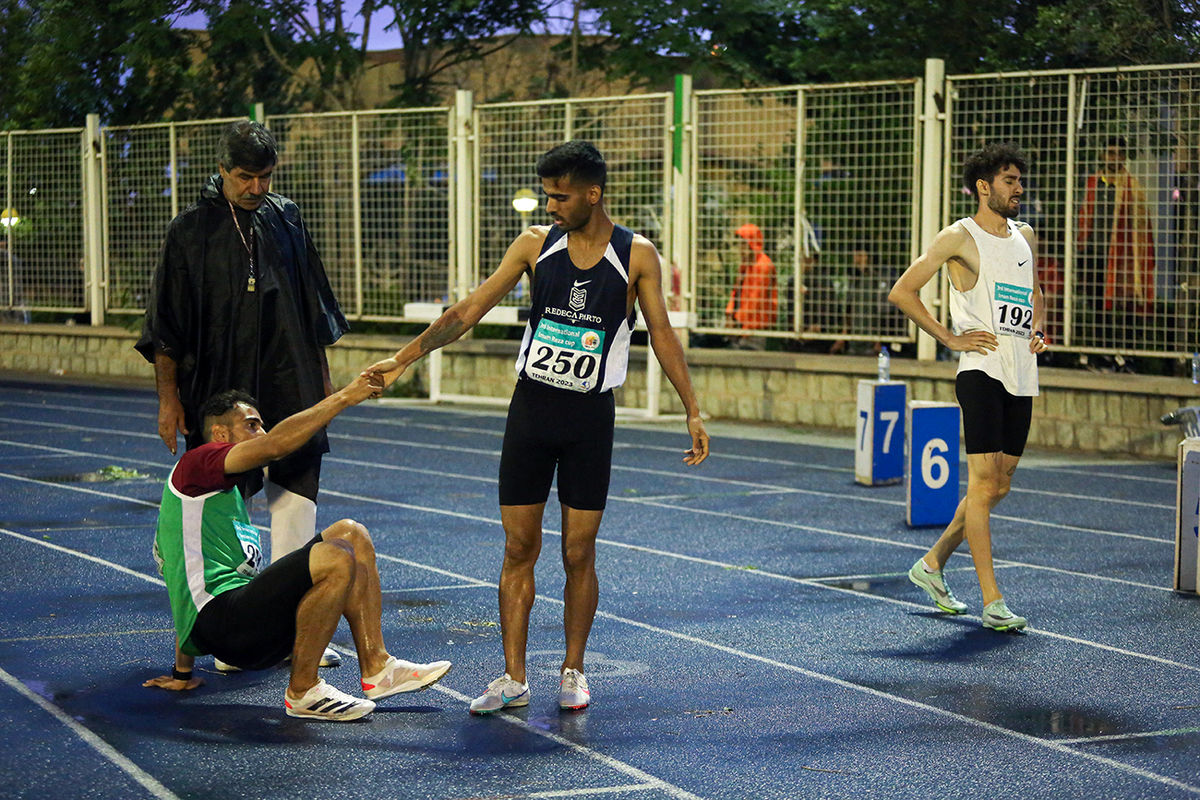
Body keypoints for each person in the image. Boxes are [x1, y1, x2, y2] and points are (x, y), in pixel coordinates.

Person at [367, 140, 710, 713]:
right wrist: (404, 358)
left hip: (589, 420)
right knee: (518, 547)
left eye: (559, 196)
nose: (549, 205)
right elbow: (466, 311)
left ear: (592, 194)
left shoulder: (637, 255)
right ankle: (513, 677)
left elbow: (664, 337)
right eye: (547, 195)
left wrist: (692, 408)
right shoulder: (534, 246)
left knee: (579, 552)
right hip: (530, 413)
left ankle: (573, 671)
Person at [135, 120, 348, 667]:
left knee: (297, 484)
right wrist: (168, 398)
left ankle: (299, 623)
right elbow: (166, 323)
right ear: (223, 170)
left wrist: (320, 376)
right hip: (221, 376)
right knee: (231, 492)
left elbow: (312, 300)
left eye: (265, 177)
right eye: (245, 177)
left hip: (290, 367)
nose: (256, 188)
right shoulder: (191, 229)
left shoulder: (287, 218)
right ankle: (238, 621)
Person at [143, 378, 453, 721]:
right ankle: (303, 690)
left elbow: (182, 567)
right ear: (220, 435)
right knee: (335, 557)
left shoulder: (222, 495)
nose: (262, 433)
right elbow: (276, 446)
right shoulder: (196, 466)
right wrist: (346, 397)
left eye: (263, 425)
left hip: (246, 624)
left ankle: (378, 669)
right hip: (222, 625)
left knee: (351, 534)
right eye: (251, 425)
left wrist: (182, 674)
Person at [888, 141, 1048, 632]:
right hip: (981, 372)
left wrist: (1038, 330)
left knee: (998, 485)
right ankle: (992, 600)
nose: (1019, 187)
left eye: (1020, 179)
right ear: (984, 187)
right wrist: (950, 337)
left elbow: (1035, 293)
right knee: (981, 486)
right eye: (1009, 180)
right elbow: (902, 291)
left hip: (1022, 371)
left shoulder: (1026, 235)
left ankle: (931, 565)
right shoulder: (958, 237)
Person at [1076, 136, 1157, 352]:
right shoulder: (1094, 182)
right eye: (1110, 152)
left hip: (1121, 258)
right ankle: (1100, 353)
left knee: (1124, 309)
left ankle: (1125, 354)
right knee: (1097, 308)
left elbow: (1141, 225)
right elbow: (1085, 216)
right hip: (1094, 255)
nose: (1113, 157)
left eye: (1118, 153)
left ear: (1123, 157)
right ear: (1103, 155)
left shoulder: (1132, 186)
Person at [724, 222, 777, 347]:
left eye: (743, 244)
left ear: (752, 243)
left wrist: (736, 320)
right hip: (741, 326)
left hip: (755, 328)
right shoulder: (745, 265)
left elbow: (755, 299)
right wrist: (730, 314)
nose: (740, 248)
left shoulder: (763, 265)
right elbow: (735, 293)